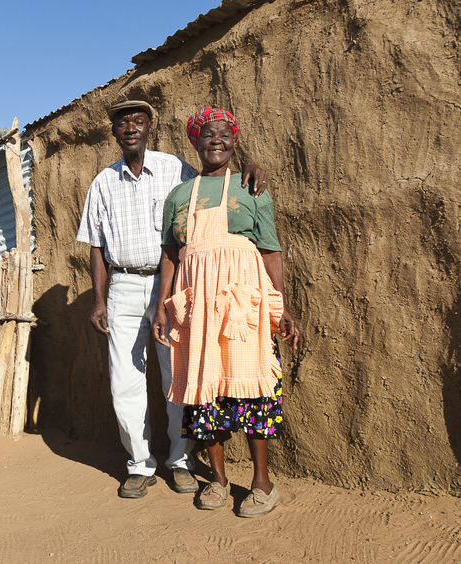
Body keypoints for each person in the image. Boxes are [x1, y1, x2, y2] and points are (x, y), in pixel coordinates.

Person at [77, 99, 269, 499]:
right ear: (114, 132)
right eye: (123, 123)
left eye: (139, 120)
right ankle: (139, 465)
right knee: (124, 381)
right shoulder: (102, 183)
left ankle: (181, 462)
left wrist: (251, 168)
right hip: (123, 285)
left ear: (151, 126)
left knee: (179, 375)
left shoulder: (175, 169)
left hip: (176, 285)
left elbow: (216, 174)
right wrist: (99, 300)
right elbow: (96, 246)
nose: (131, 127)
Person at [152, 107, 300, 517]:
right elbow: (170, 254)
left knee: (252, 387)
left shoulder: (251, 187)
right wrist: (163, 306)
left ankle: (262, 484)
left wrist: (281, 303)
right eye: (207, 134)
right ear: (195, 142)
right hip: (198, 305)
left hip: (242, 302)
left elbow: (270, 249)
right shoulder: (180, 195)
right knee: (204, 390)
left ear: (234, 142)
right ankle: (217, 480)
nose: (215, 140)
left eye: (224, 134)